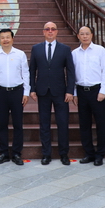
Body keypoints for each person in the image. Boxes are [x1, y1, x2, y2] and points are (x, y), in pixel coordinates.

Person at [29, 21, 75, 165]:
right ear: (43, 32)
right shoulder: (36, 48)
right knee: (44, 124)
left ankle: (64, 154)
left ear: (57, 31)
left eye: (53, 29)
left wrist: (70, 91)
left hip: (60, 92)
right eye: (47, 29)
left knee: (63, 123)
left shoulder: (65, 49)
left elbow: (70, 71)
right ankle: (46, 154)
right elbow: (32, 70)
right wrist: (32, 89)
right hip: (42, 92)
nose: (50, 31)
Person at [71, 25, 105, 166]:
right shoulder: (74, 53)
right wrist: (75, 93)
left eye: (87, 33)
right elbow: (72, 75)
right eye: (82, 34)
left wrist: (102, 91)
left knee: (101, 124)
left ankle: (100, 154)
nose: (85, 36)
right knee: (84, 124)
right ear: (78, 36)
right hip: (81, 91)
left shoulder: (100, 51)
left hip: (97, 91)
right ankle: (89, 153)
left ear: (92, 35)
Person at [0, 28, 30, 166]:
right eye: (2, 37)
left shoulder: (20, 54)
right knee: (2, 124)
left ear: (12, 39)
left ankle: (17, 153)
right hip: (1, 92)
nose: (5, 40)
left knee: (18, 124)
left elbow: (26, 73)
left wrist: (26, 92)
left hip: (17, 92)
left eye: (8, 37)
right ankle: (3, 153)